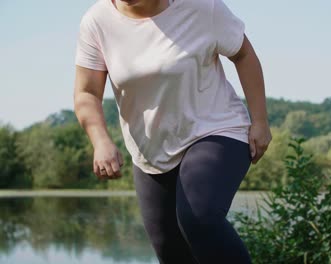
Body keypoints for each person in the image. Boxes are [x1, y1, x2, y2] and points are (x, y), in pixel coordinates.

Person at [73, 0, 271, 263]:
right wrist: (100, 141)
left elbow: (243, 54)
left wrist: (259, 120)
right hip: (151, 152)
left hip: (216, 129)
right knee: (171, 252)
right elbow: (86, 92)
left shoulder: (202, 7)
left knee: (198, 215)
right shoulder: (97, 22)